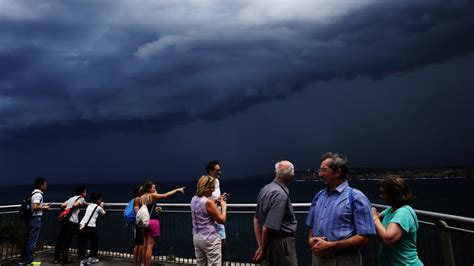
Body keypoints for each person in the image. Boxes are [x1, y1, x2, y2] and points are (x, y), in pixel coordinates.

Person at [305, 152, 375, 266]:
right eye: (320, 170)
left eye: (324, 170)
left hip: (343, 260)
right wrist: (310, 240)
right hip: (318, 259)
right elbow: (311, 226)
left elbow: (365, 237)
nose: (320, 174)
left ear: (337, 172)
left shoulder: (357, 197)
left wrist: (332, 247)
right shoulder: (319, 196)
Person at [253, 160, 298, 266]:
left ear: (276, 173)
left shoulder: (265, 189)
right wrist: (262, 250)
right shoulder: (280, 195)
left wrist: (260, 245)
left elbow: (256, 219)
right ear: (291, 176)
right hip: (281, 245)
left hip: (267, 242)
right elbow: (268, 227)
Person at [372, 175, 423, 266]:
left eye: (383, 193)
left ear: (393, 194)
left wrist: (374, 217)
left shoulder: (403, 213)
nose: (380, 195)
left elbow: (388, 239)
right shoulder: (390, 210)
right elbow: (374, 221)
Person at [137, 181, 185, 266]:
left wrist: (156, 208)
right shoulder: (152, 195)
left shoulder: (141, 197)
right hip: (152, 222)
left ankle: (143, 264)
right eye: (153, 188)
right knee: (150, 246)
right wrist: (177, 190)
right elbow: (165, 195)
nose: (155, 189)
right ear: (149, 188)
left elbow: (147, 208)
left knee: (145, 245)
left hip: (144, 222)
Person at [191, 175, 228, 266]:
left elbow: (204, 210)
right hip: (210, 239)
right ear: (206, 188)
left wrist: (215, 201)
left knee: (201, 264)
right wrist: (224, 207)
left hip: (197, 237)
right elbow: (222, 220)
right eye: (212, 187)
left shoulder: (194, 199)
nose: (213, 189)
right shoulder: (208, 202)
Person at [19, 177, 51, 265]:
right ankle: (29, 261)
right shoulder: (38, 194)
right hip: (35, 219)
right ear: (41, 185)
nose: (46, 185)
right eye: (45, 184)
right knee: (32, 241)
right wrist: (45, 207)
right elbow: (35, 207)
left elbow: (35, 205)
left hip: (31, 219)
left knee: (27, 240)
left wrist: (43, 204)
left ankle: (23, 260)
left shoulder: (33, 193)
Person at [54, 186, 87, 264]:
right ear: (82, 193)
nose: (86, 193)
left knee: (61, 239)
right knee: (69, 240)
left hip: (65, 221)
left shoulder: (71, 198)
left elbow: (62, 205)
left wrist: (67, 210)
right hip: (72, 222)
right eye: (85, 192)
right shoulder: (81, 199)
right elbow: (76, 205)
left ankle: (56, 258)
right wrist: (80, 205)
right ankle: (66, 259)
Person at [205, 161, 228, 264]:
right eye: (217, 170)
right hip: (209, 217)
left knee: (223, 244)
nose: (220, 172)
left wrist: (220, 198)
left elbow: (213, 198)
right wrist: (217, 201)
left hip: (217, 215)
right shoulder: (205, 182)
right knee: (213, 246)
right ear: (210, 171)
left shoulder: (217, 181)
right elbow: (204, 202)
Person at [78, 192, 106, 265]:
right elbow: (104, 213)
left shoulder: (89, 205)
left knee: (83, 243)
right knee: (94, 242)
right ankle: (92, 258)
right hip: (91, 226)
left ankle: (82, 260)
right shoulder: (98, 207)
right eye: (101, 199)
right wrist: (102, 205)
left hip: (82, 224)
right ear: (98, 200)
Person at [132, 185, 145, 265]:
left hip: (138, 223)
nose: (143, 189)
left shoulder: (138, 199)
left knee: (138, 243)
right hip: (139, 223)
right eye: (141, 189)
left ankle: (136, 262)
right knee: (140, 243)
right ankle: (139, 262)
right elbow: (137, 212)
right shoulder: (137, 199)